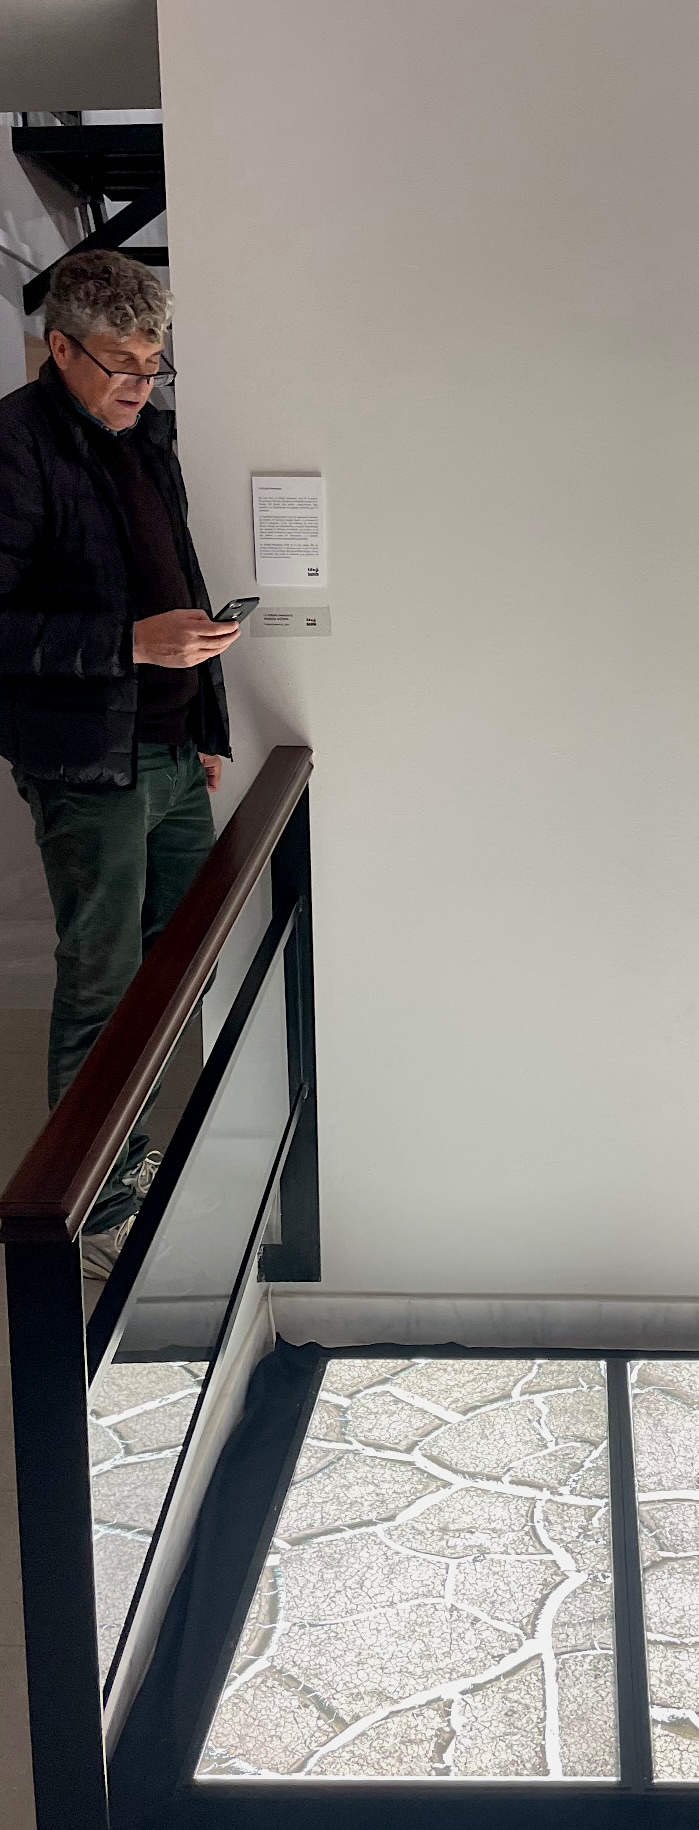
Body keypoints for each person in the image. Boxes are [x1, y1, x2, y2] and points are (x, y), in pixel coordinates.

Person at [0, 249, 240, 1279]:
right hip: (89, 764)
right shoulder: (14, 448)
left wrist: (208, 723)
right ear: (59, 349)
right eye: (121, 363)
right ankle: (89, 1205)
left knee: (181, 962)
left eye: (154, 362)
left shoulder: (146, 436)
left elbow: (178, 575)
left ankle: (130, 1149)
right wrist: (130, 645)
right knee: (102, 979)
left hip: (174, 750)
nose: (142, 383)